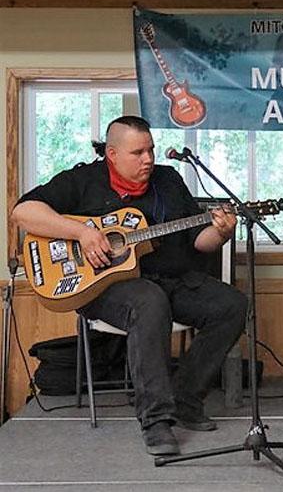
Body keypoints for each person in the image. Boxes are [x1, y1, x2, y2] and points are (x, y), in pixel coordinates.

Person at [11, 116, 247, 455]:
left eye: (150, 150)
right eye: (138, 153)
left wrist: (223, 232)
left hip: (172, 280)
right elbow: (24, 211)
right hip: (107, 288)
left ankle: (185, 398)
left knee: (232, 305)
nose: (148, 159)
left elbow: (200, 241)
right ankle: (155, 420)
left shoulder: (168, 180)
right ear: (112, 154)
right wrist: (82, 233)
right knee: (148, 302)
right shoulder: (83, 180)